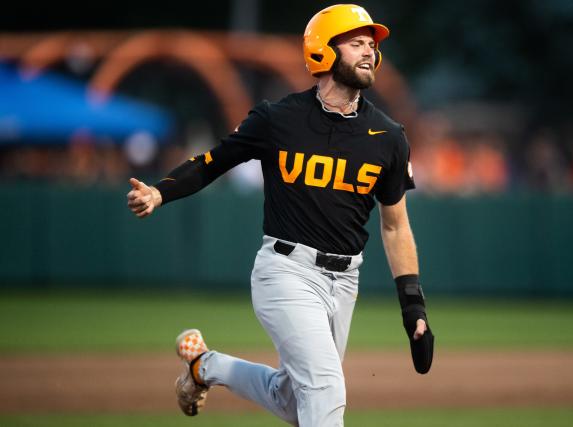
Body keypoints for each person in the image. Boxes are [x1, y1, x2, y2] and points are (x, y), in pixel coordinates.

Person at [126, 4, 434, 426]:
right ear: (324, 52)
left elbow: (396, 226)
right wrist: (160, 193)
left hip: (344, 282)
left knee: (293, 400)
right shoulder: (279, 118)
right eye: (356, 43)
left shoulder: (389, 137)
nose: (369, 52)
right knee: (326, 387)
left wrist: (413, 307)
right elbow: (212, 161)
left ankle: (204, 366)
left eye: (372, 45)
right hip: (285, 271)